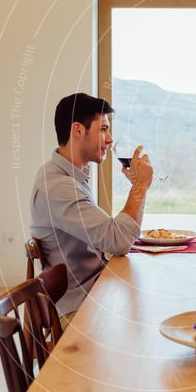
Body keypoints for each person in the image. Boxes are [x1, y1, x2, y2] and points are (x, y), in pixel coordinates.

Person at [30, 93, 153, 324]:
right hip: (79, 306)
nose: (109, 139)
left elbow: (111, 237)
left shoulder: (70, 177)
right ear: (77, 130)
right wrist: (140, 186)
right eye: (103, 129)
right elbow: (118, 240)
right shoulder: (58, 187)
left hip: (97, 288)